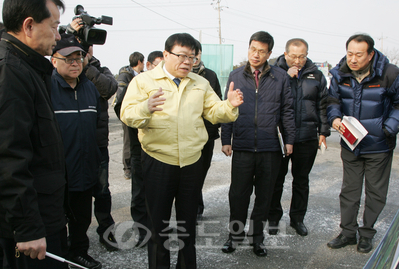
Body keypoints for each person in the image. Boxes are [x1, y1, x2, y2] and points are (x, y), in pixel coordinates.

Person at [120, 33, 243, 269]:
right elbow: (127, 114)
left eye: (192, 57)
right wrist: (146, 107)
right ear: (166, 54)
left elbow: (214, 111)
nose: (187, 62)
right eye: (182, 56)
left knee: (188, 227)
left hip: (191, 163)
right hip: (158, 162)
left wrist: (229, 106)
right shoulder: (144, 82)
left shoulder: (200, 83)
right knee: (158, 227)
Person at [0, 0, 68, 268]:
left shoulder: (28, 67)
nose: (58, 35)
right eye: (54, 26)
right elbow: (8, 156)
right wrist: (27, 227)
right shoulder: (10, 71)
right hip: (28, 229)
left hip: (43, 213)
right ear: (29, 26)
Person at [221, 31, 295, 257]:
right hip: (243, 146)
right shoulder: (236, 75)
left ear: (269, 53)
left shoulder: (280, 77)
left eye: (261, 51)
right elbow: (227, 110)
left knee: (264, 197)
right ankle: (234, 235)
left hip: (270, 148)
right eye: (253, 49)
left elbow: (287, 111)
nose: (256, 54)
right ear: (248, 48)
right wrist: (226, 139)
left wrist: (289, 140)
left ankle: (257, 239)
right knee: (238, 195)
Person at [326, 34, 399, 253]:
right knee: (349, 191)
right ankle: (348, 232)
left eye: (359, 54)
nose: (353, 59)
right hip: (350, 143)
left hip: (379, 145)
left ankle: (366, 234)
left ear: (370, 55)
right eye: (350, 53)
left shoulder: (390, 73)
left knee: (375, 192)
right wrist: (335, 118)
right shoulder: (340, 73)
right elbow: (333, 100)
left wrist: (388, 129)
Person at [268, 38, 330, 236]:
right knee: (276, 180)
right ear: (285, 54)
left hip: (306, 137)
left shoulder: (317, 75)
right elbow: (268, 99)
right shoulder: (274, 73)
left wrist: (323, 132)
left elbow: (323, 105)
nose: (297, 60)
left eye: (301, 56)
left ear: (307, 55)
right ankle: (273, 218)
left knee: (301, 181)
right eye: (293, 56)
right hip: (280, 137)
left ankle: (297, 219)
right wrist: (286, 77)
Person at [68, 18, 119, 252]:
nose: (84, 49)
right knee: (71, 193)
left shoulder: (98, 67)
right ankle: (73, 240)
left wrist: (87, 65)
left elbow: (109, 89)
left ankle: (106, 233)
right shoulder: (64, 66)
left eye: (86, 45)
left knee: (102, 191)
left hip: (98, 144)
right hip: (68, 145)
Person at [51, 34, 102, 269]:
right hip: (57, 172)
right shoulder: (46, 87)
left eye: (79, 58)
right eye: (68, 59)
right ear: (54, 61)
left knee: (82, 217)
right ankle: (60, 255)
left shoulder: (89, 88)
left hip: (85, 168)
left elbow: (98, 127)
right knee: (56, 220)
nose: (75, 63)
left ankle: (79, 252)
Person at [114, 51, 151, 247]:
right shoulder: (131, 80)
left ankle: (154, 229)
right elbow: (120, 107)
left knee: (156, 193)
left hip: (158, 150)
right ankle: (141, 231)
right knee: (139, 193)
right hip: (138, 147)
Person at [192, 40, 222, 223]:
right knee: (189, 174)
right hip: (188, 135)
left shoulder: (210, 75)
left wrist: (211, 130)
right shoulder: (181, 74)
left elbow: (217, 104)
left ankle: (196, 206)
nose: (193, 58)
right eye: (189, 54)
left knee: (201, 172)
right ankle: (192, 209)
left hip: (207, 136)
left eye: (197, 54)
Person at [114, 52, 145, 180]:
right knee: (128, 142)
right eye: (143, 62)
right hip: (128, 115)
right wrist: (124, 116)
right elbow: (119, 99)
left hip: (139, 114)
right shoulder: (125, 76)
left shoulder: (141, 76)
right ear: (139, 62)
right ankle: (127, 168)